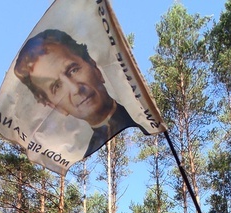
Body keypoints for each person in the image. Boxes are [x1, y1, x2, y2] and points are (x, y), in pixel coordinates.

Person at [14, 29, 146, 158]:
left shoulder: (143, 117)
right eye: (57, 86)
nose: (75, 89)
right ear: (54, 106)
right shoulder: (84, 154)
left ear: (93, 66)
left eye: (73, 70)